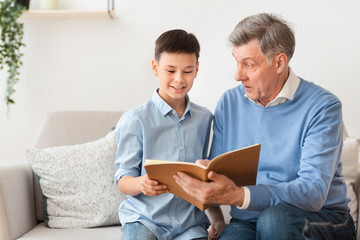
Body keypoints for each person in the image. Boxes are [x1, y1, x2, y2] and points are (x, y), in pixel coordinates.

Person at [173, 13, 356, 239]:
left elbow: (313, 192)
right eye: (236, 62)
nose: (237, 75)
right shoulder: (230, 102)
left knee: (274, 220)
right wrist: (205, 176)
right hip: (249, 219)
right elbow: (220, 169)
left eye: (248, 65)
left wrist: (241, 196)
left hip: (322, 217)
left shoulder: (323, 107)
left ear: (279, 62)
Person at [114, 29, 225, 240]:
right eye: (171, 70)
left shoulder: (205, 118)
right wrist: (141, 183)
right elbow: (122, 180)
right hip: (144, 219)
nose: (179, 79)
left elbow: (206, 176)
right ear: (155, 68)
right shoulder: (134, 120)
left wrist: (217, 218)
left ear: (197, 70)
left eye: (187, 71)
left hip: (189, 225)